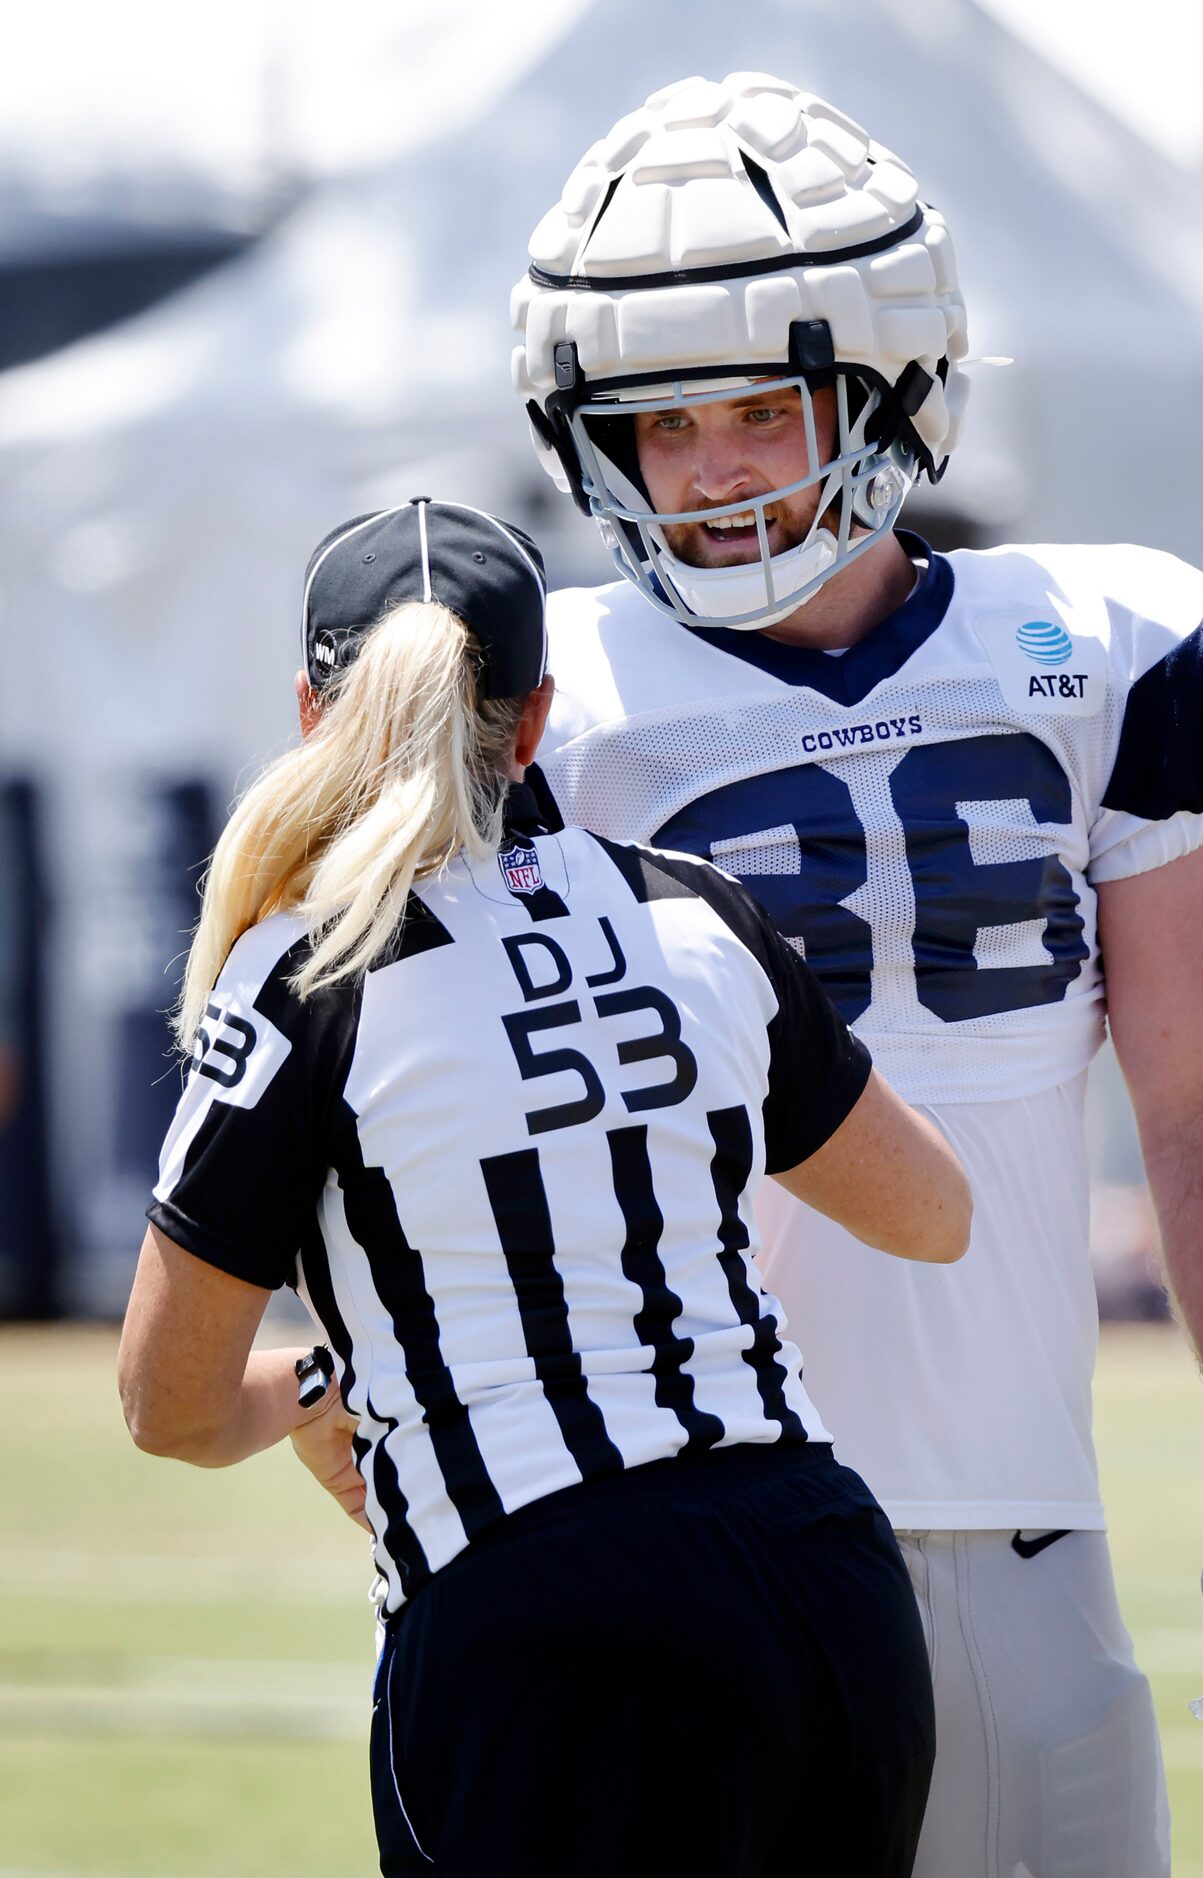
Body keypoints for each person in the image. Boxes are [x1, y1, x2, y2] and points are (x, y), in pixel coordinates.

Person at [510, 73, 1203, 1877]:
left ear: (895, 390)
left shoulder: (1096, 646)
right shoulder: (535, 705)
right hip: (661, 1517)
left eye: (759, 404)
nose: (717, 466)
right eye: (663, 425)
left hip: (1009, 1522)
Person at [118, 498, 973, 1877]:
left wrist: (340, 1384)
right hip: (821, 1575)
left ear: (308, 710)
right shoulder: (699, 907)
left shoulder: (299, 975)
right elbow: (934, 1213)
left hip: (545, 1615)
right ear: (532, 724)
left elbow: (166, 1403)